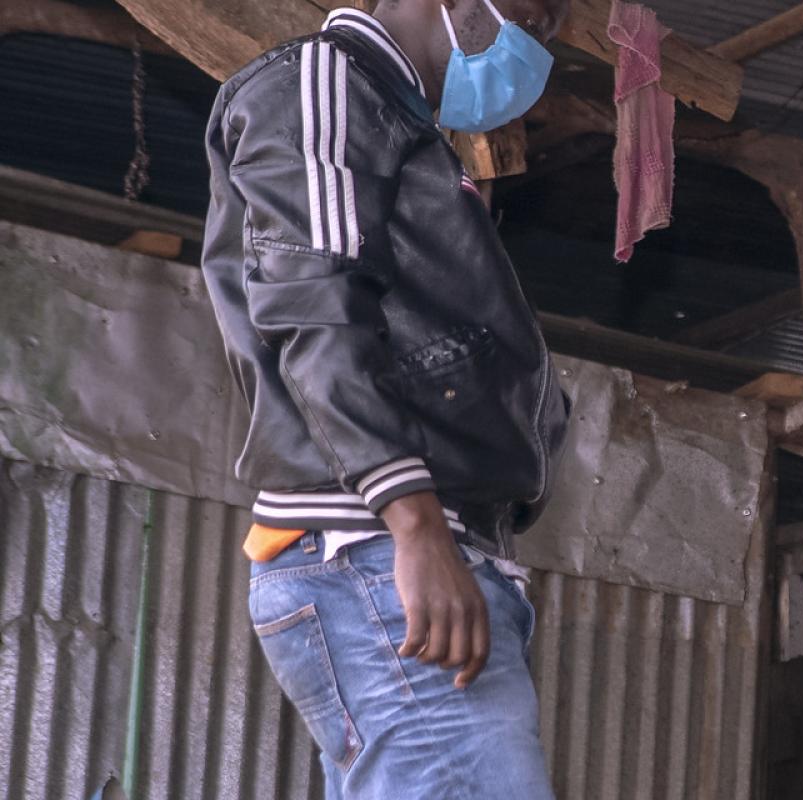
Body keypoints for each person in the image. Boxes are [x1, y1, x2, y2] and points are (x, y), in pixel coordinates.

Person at [197, 0, 570, 796]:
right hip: (371, 547)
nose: (537, 41)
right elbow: (314, 309)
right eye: (533, 14)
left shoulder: (394, 119)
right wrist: (414, 522)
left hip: (393, 551)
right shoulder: (327, 81)